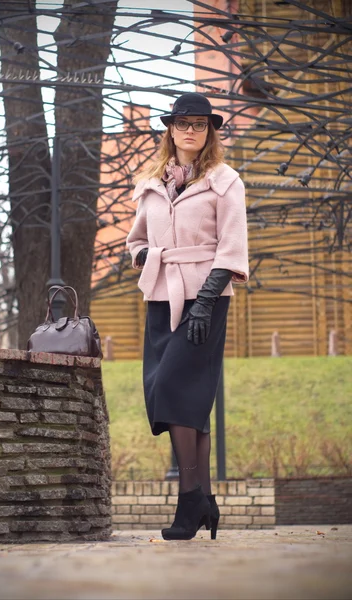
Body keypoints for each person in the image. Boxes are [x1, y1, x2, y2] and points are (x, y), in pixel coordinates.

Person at [126, 92, 249, 541]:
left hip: (207, 298)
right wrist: (148, 257)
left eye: (200, 124)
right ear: (171, 129)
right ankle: (206, 500)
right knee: (176, 395)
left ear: (209, 131)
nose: (191, 131)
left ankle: (190, 500)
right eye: (183, 124)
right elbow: (135, 240)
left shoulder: (225, 181)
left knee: (178, 390)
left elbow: (233, 245)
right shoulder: (152, 183)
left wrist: (205, 299)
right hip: (160, 296)